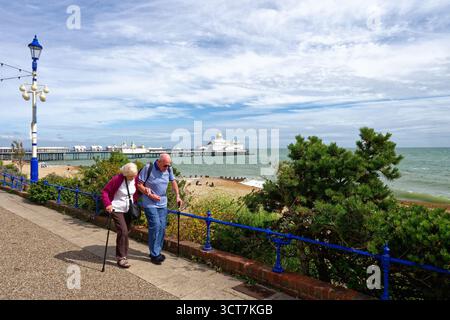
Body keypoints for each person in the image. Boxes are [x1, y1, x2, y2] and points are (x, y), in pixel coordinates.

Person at [137, 153, 183, 264]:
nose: (167, 168)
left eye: (169, 165)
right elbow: (139, 185)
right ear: (159, 161)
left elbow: (173, 182)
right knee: (155, 225)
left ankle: (157, 251)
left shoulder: (169, 169)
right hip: (149, 202)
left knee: (162, 227)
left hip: (163, 203)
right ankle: (154, 254)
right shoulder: (148, 168)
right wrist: (150, 195)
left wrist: (177, 196)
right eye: (165, 165)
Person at [101, 162, 139, 268]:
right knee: (123, 231)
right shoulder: (117, 179)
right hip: (117, 208)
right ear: (125, 173)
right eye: (131, 176)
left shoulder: (134, 179)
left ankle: (123, 254)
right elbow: (105, 192)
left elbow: (136, 192)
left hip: (128, 209)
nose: (133, 178)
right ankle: (121, 258)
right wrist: (108, 204)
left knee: (126, 232)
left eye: (134, 175)